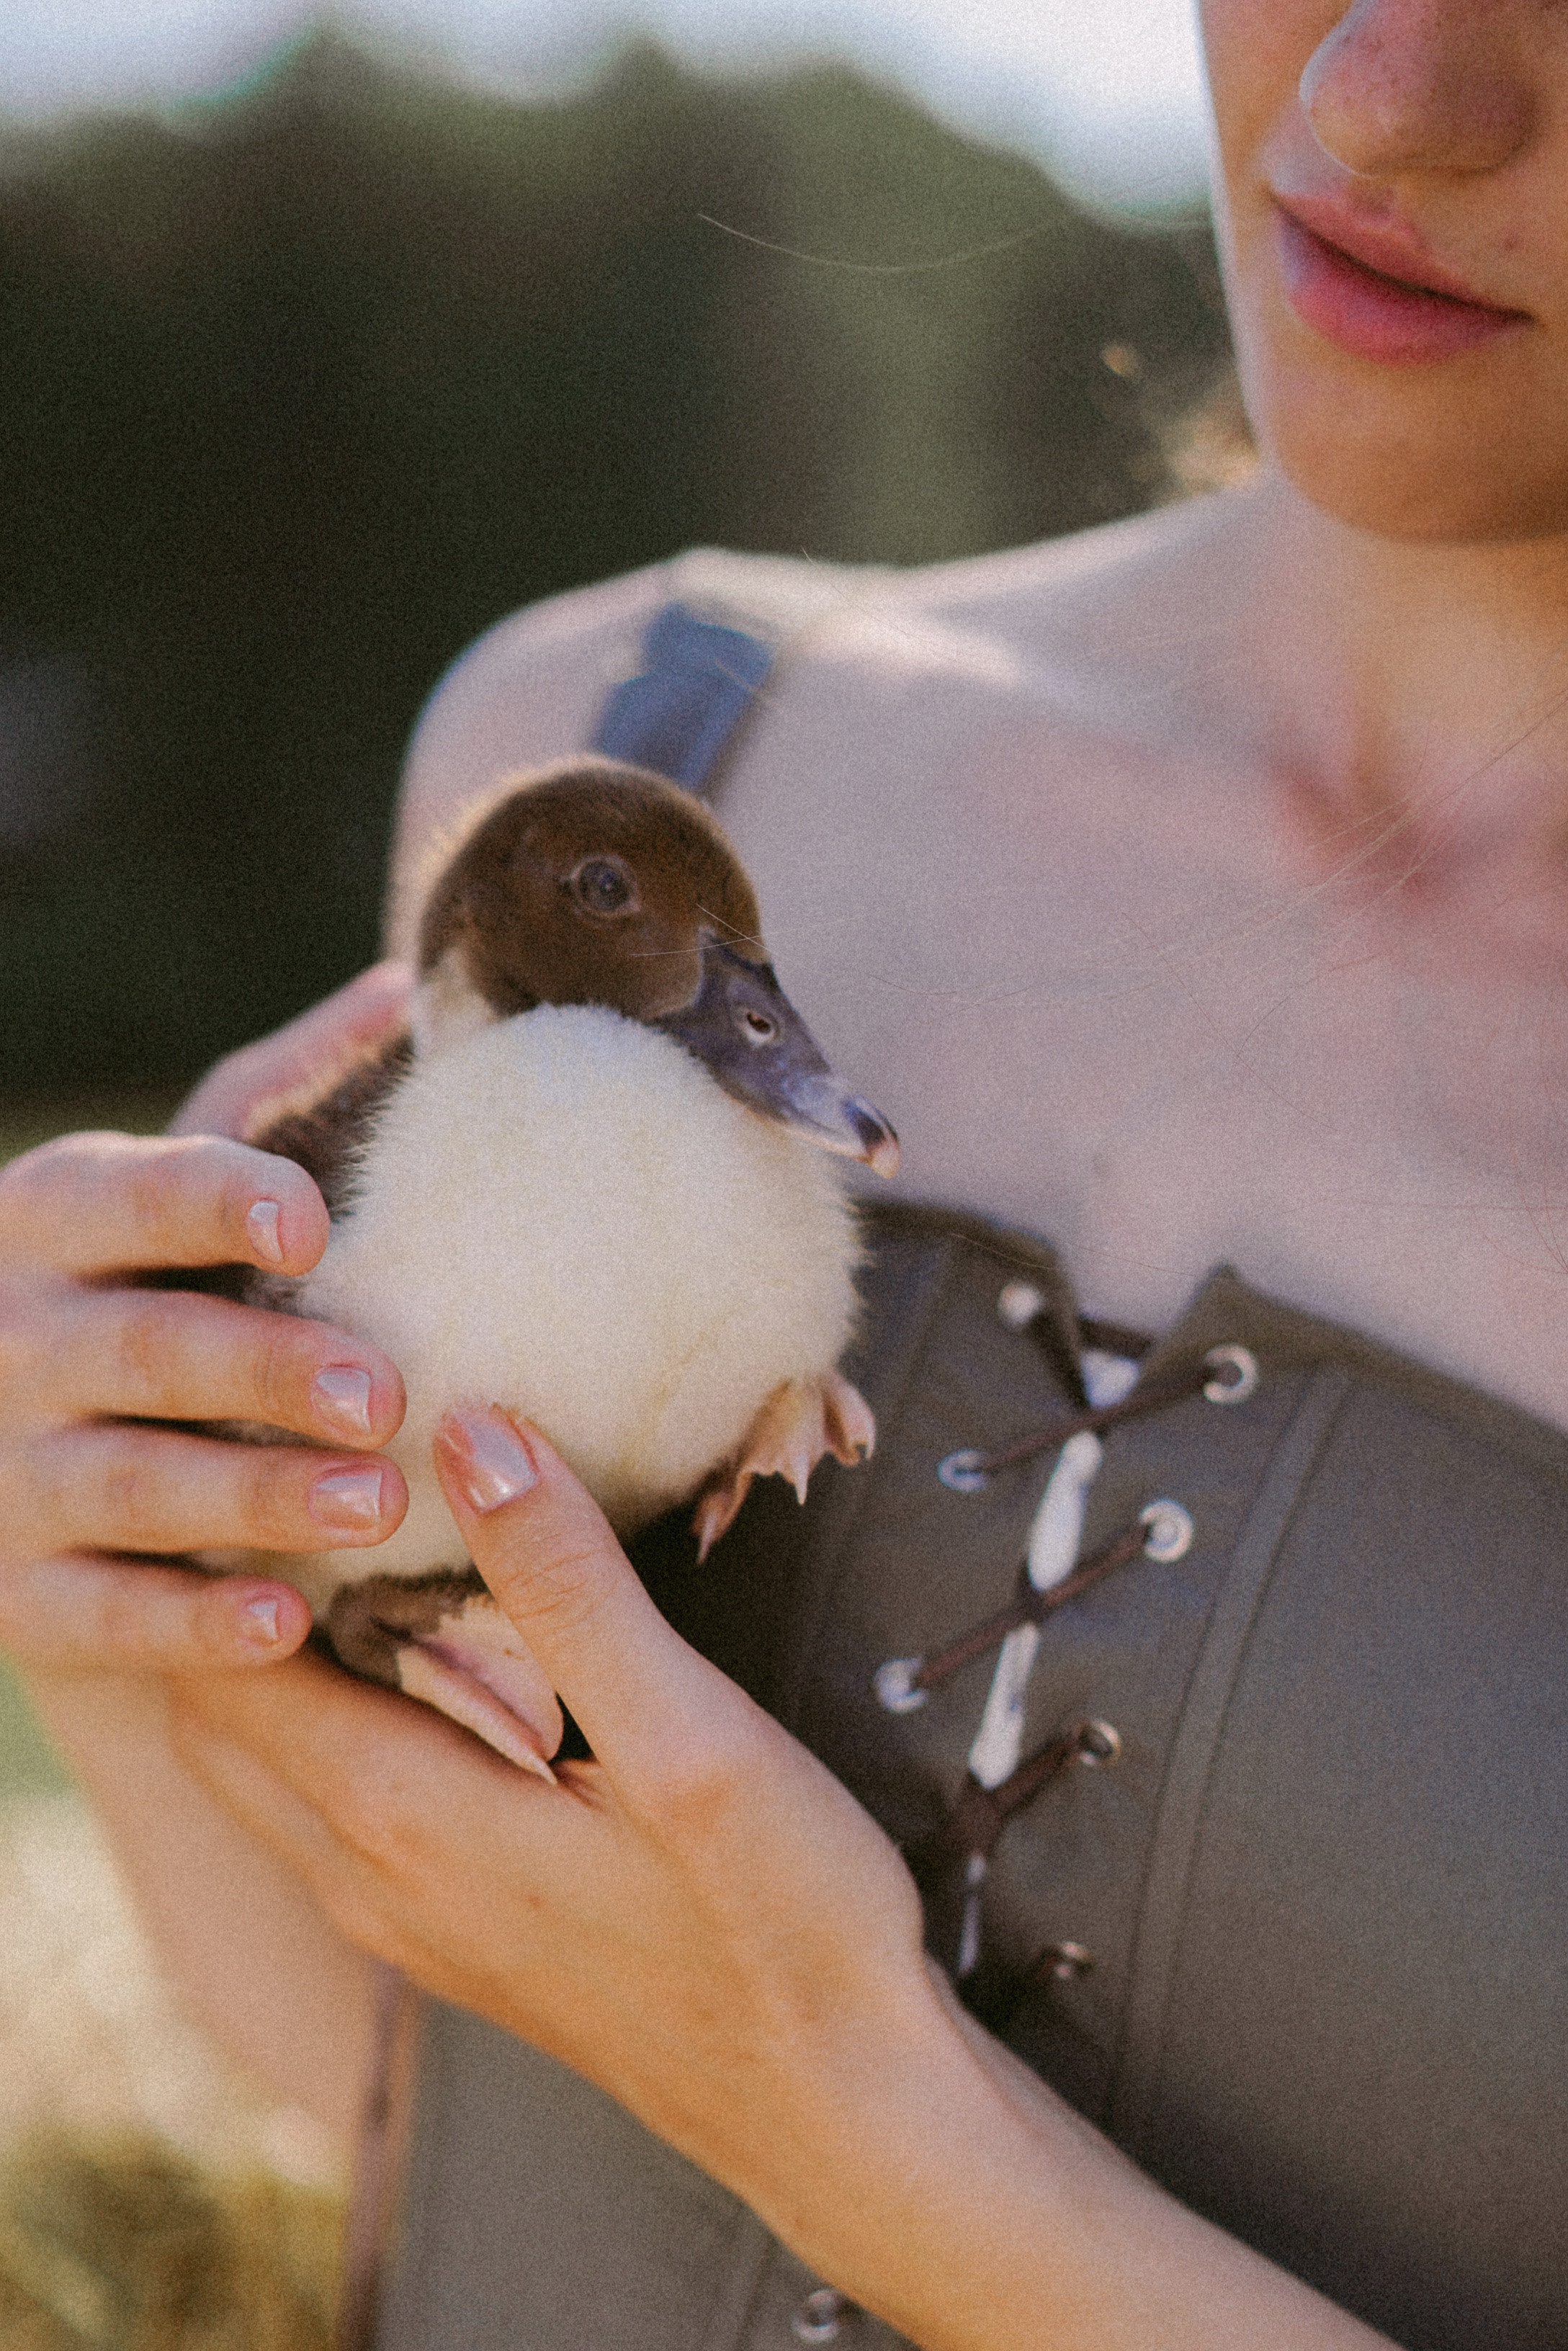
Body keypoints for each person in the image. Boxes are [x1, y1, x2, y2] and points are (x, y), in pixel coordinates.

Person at [2, 2, 1567, 2342]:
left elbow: (765, 2111)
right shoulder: (626, 740)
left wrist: (860, 2123)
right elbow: (403, 2104)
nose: (1384, 95)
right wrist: (102, 1595)